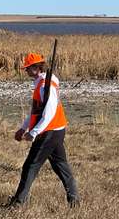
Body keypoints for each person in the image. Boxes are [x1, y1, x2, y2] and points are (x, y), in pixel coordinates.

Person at [9, 52, 79, 207]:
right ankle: (74, 201)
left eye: (27, 68)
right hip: (56, 130)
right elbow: (37, 110)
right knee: (61, 166)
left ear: (36, 68)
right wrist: (23, 127)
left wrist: (33, 133)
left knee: (31, 166)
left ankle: (18, 203)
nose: (26, 71)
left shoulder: (45, 85)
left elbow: (49, 112)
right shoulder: (45, 82)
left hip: (49, 132)